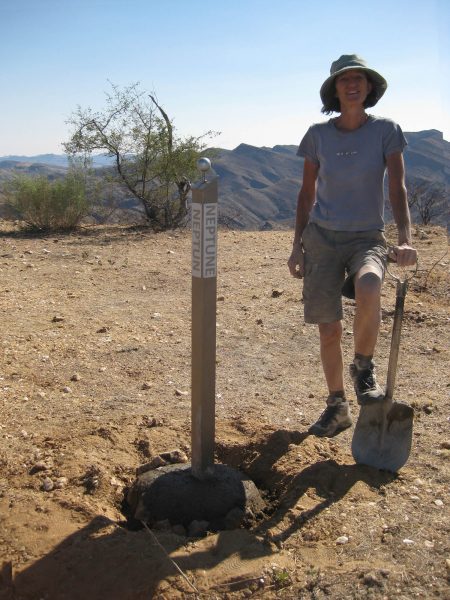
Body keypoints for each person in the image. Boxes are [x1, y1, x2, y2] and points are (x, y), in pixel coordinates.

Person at [287, 54, 417, 437]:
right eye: (345, 80)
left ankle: (363, 366)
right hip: (322, 239)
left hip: (367, 237)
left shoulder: (386, 131)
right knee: (329, 328)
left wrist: (406, 239)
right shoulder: (317, 135)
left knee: (370, 286)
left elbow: (397, 188)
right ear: (335, 89)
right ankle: (337, 406)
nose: (353, 84)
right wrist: (297, 246)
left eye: (359, 78)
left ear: (370, 87)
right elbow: (305, 194)